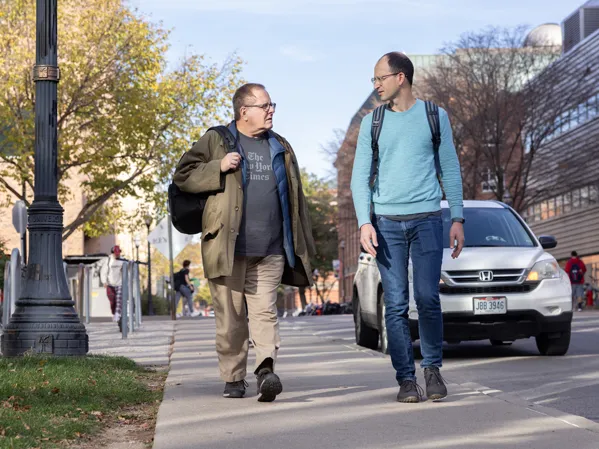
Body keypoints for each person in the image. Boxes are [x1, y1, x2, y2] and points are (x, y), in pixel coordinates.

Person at [173, 83, 316, 402]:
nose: (271, 110)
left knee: (265, 312)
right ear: (244, 112)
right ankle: (233, 377)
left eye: (271, 105)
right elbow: (183, 175)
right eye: (265, 105)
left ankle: (266, 370)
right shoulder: (217, 140)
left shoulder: (281, 145)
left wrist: (302, 242)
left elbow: (295, 198)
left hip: (271, 248)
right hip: (226, 246)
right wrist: (218, 168)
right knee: (231, 319)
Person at [350, 52, 465, 403]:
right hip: (387, 225)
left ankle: (432, 370)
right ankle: (405, 379)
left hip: (429, 219)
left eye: (379, 78)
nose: (375, 85)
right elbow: (359, 177)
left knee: (428, 298)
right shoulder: (373, 123)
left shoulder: (434, 116)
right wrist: (364, 221)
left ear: (400, 78)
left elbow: (449, 167)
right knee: (396, 304)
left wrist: (457, 217)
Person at [99, 245, 126, 332]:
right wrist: (104, 282)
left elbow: (128, 269)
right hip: (110, 284)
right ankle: (115, 313)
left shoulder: (122, 260)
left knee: (119, 299)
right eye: (115, 254)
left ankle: (118, 314)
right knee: (112, 301)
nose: (117, 255)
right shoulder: (108, 260)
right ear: (113, 253)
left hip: (120, 283)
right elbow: (103, 271)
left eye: (118, 254)